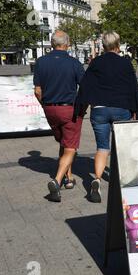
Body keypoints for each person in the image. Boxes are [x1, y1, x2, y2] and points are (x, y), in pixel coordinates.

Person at [75, 31, 138, 203]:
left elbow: (85, 85)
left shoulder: (96, 62)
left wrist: (81, 107)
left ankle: (96, 179)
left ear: (103, 46)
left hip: (99, 109)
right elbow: (132, 88)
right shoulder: (125, 63)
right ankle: (124, 181)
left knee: (102, 148)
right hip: (122, 108)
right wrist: (135, 110)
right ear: (118, 45)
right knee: (122, 146)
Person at [33, 30, 85, 202]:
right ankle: (57, 180)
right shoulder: (74, 63)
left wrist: (45, 105)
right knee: (71, 147)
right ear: (67, 44)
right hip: (69, 109)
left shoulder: (40, 62)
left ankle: (69, 179)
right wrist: (82, 108)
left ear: (52, 43)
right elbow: (84, 89)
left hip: (50, 109)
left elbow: (37, 90)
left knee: (64, 142)